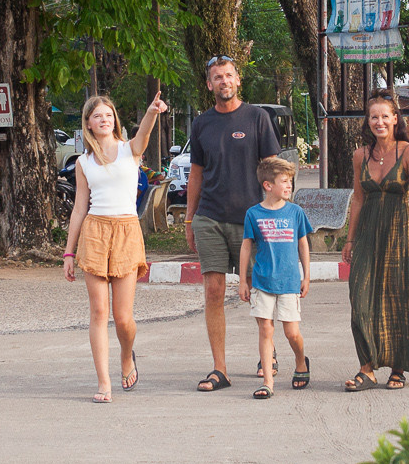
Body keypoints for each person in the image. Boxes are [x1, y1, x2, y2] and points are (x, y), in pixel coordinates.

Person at [63, 91, 169, 403]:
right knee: (99, 311)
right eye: (98, 116)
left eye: (108, 115)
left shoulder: (129, 150)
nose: (104, 120)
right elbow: (79, 209)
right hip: (95, 232)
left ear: (115, 121)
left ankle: (126, 355)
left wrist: (151, 112)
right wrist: (69, 252)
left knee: (123, 318)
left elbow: (144, 134)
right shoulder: (83, 162)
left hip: (126, 231)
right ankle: (103, 382)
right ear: (88, 124)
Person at [184, 55, 282, 392]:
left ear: (238, 80)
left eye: (228, 75)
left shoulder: (257, 118)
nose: (224, 81)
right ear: (209, 84)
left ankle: (267, 354)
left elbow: (273, 169)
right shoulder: (201, 123)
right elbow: (196, 174)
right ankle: (220, 369)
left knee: (258, 289)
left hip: (251, 219)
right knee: (213, 291)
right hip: (209, 217)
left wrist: (274, 213)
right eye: (217, 77)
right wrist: (189, 218)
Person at [341, 90, 409, 391]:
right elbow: (358, 199)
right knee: (360, 297)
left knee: (399, 298)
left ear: (395, 119)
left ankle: (397, 368)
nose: (379, 122)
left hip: (399, 232)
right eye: (373, 117)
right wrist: (350, 239)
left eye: (385, 116)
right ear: (368, 121)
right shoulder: (360, 155)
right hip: (367, 234)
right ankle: (367, 368)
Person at [237, 156, 313, 400]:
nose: (289, 186)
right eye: (284, 181)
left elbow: (303, 244)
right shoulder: (253, 214)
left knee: (292, 333)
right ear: (268, 185)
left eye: (290, 181)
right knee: (265, 330)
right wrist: (242, 280)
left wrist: (306, 276)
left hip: (289, 282)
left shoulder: (295, 212)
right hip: (262, 281)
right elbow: (246, 247)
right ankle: (268, 382)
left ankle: (300, 361)